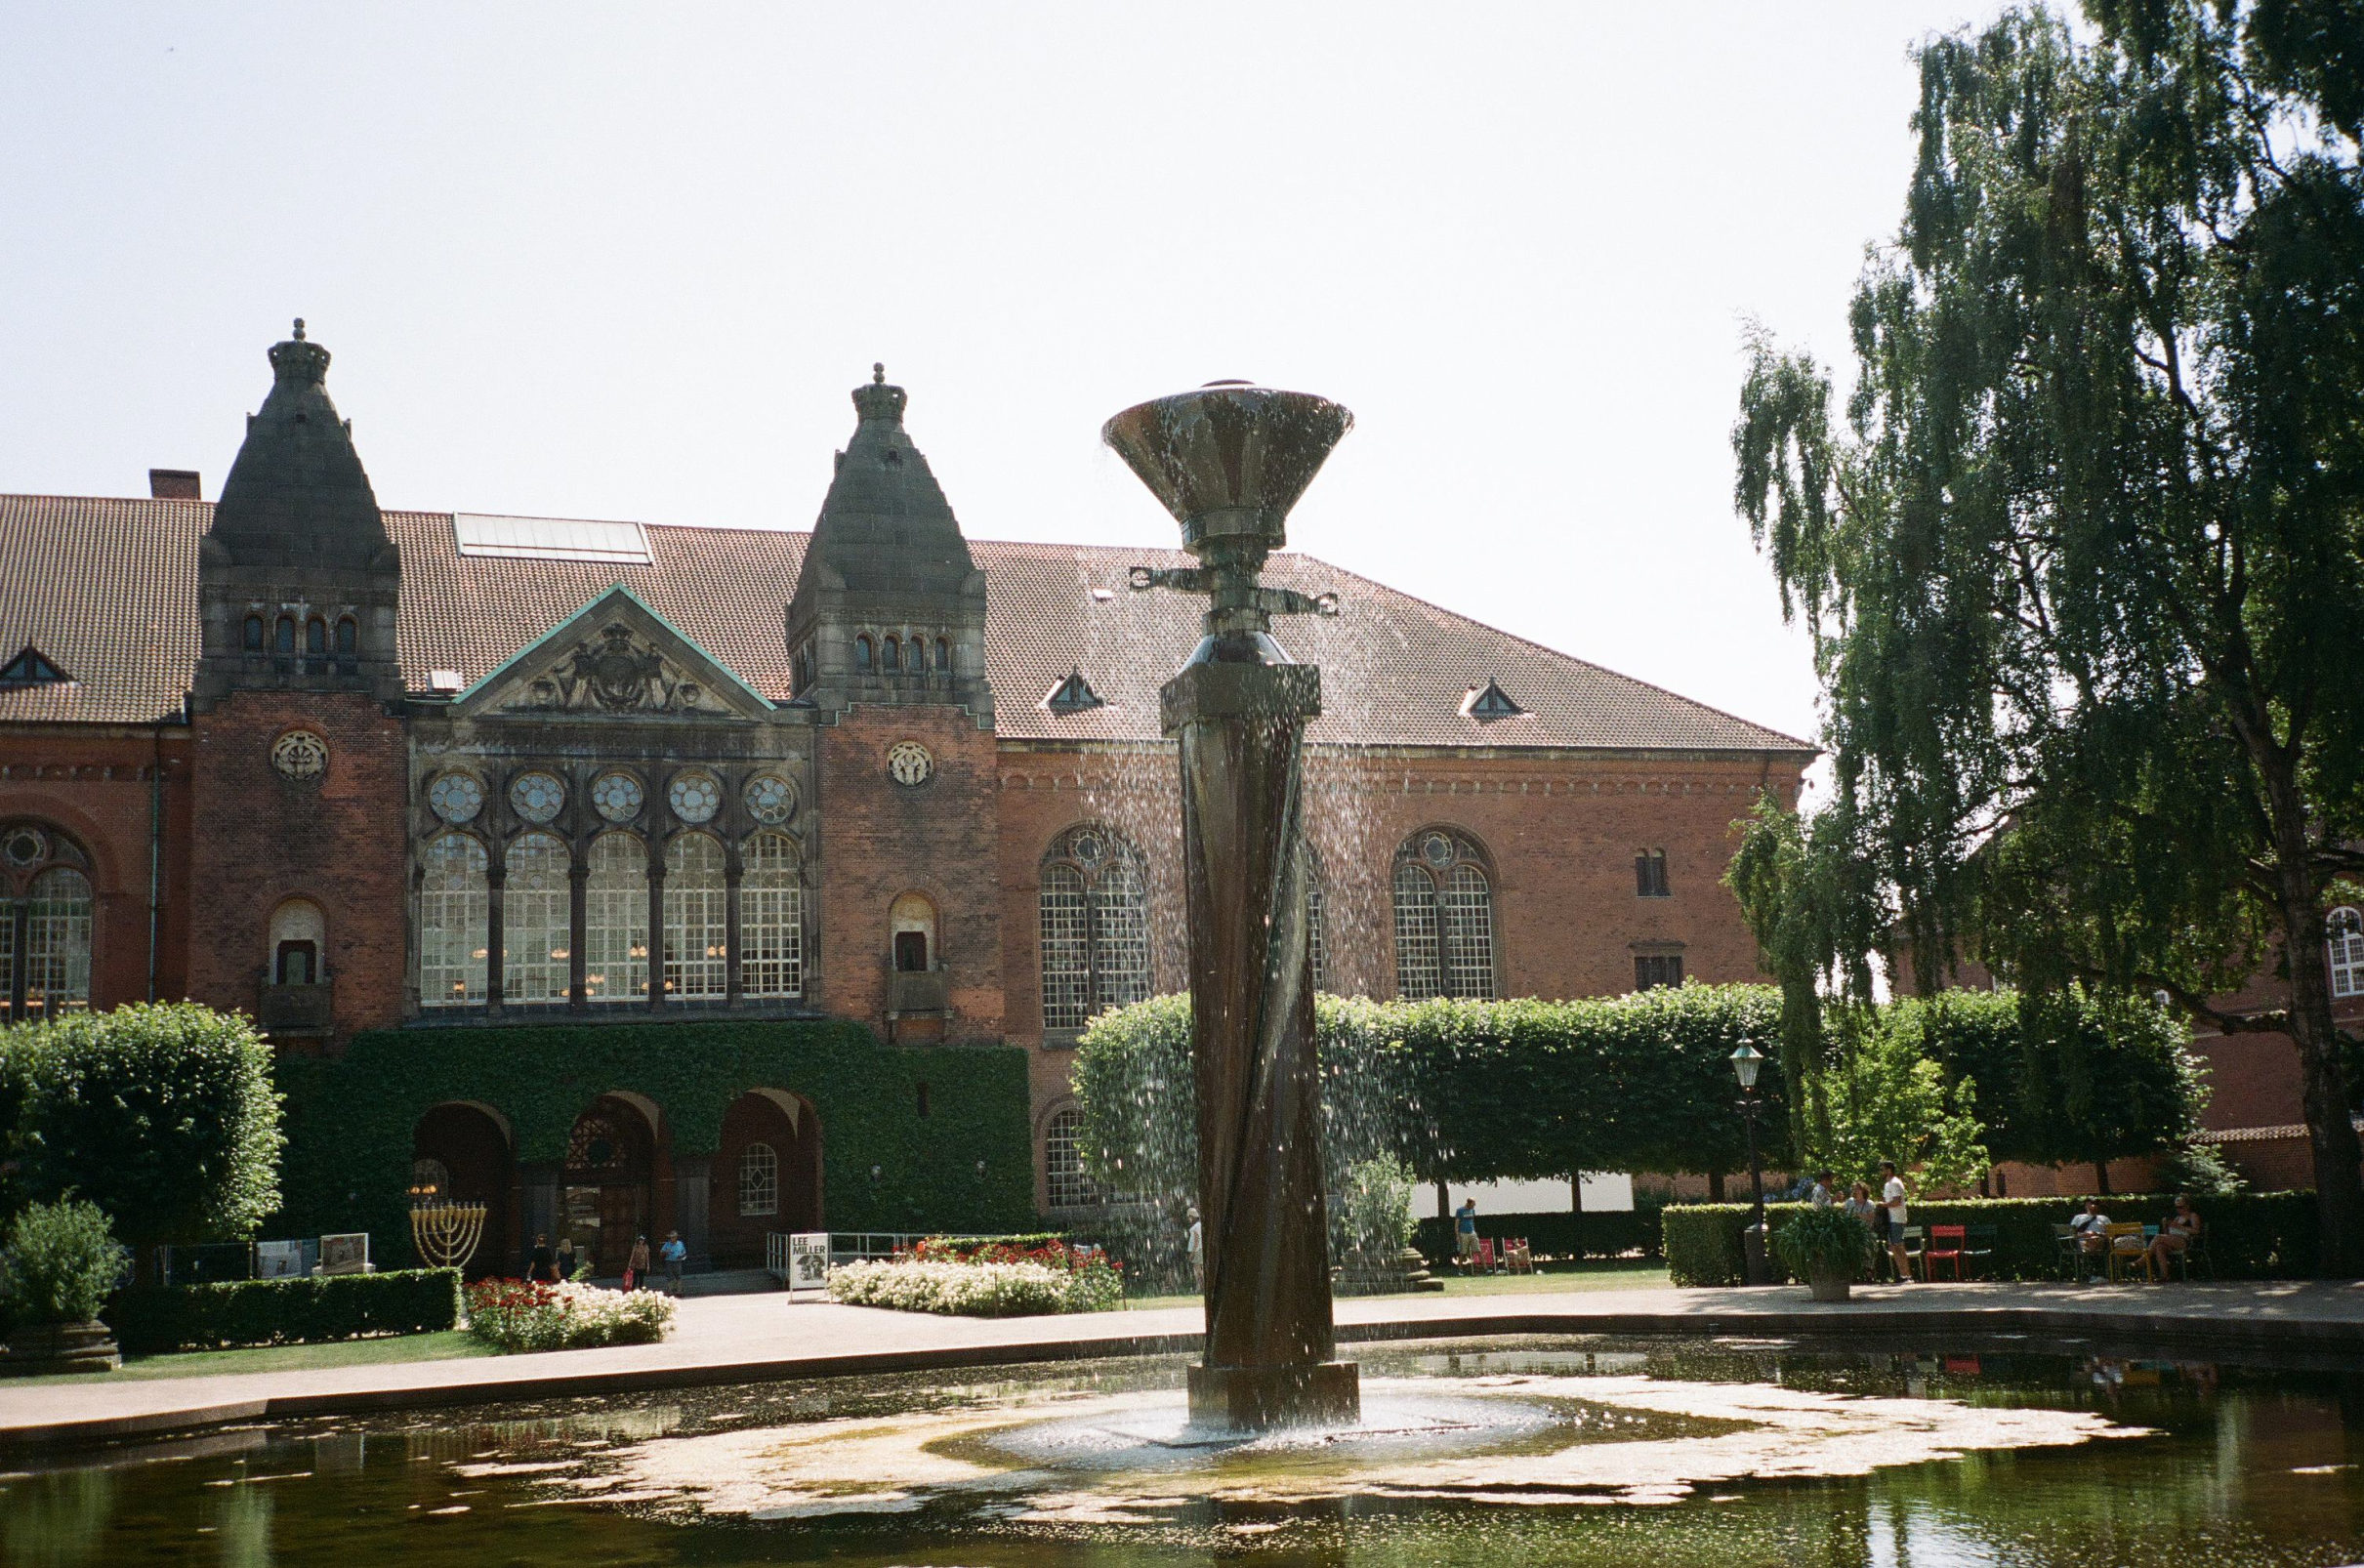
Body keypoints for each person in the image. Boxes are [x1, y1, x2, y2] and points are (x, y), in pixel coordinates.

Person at [2148, 1194, 2202, 1280]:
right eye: (2176, 1207)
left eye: (2181, 1207)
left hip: (2184, 1241)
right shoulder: (2177, 1218)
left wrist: (2179, 1227)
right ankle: (2164, 1276)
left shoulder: (2192, 1216)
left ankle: (2142, 1261)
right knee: (2159, 1247)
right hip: (2173, 1240)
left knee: (2158, 1237)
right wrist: (2165, 1225)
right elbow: (2168, 1234)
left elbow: (2196, 1231)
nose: (2178, 1210)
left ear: (2187, 1206)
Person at [1880, 1161, 1913, 1282]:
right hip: (1891, 1218)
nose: (1881, 1172)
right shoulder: (1888, 1184)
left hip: (1897, 1219)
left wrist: (1882, 1205)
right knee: (1893, 1246)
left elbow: (1896, 1201)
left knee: (1898, 1246)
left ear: (1889, 1170)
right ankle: (1903, 1274)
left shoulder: (1895, 1183)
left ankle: (1907, 1275)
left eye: (1883, 1169)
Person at [2067, 1198, 2112, 1282]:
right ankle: (2096, 1274)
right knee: (2090, 1242)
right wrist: (2084, 1234)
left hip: (2099, 1242)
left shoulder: (2104, 1218)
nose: (2093, 1206)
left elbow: (2111, 1234)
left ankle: (2094, 1274)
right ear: (2086, 1205)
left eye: (2095, 1204)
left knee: (2094, 1240)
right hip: (2082, 1243)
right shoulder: (2078, 1218)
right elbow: (2071, 1233)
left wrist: (2096, 1234)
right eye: (2090, 1204)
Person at [660, 1230, 687, 1295]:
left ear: (676, 1237)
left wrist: (682, 1257)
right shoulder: (667, 1244)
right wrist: (666, 1252)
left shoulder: (680, 1244)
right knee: (670, 1277)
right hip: (669, 1262)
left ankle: (679, 1291)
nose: (671, 1239)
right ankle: (670, 1291)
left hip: (678, 1262)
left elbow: (684, 1252)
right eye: (671, 1237)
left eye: (673, 1237)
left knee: (679, 1277)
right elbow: (661, 1253)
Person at [1455, 1198, 1479, 1266]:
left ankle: (1486, 1269)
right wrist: (1457, 1235)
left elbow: (1472, 1221)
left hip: (1472, 1233)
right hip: (1463, 1234)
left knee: (1478, 1251)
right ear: (1468, 1203)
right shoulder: (1460, 1210)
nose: (1474, 1206)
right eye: (1473, 1204)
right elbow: (1457, 1224)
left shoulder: (1472, 1210)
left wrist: (1474, 1230)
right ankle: (1460, 1270)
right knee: (1462, 1253)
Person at [1184, 1209, 1203, 1292]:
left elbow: (1196, 1241)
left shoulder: (1195, 1227)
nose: (1189, 1219)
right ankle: (1200, 1287)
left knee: (1198, 1271)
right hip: (1200, 1249)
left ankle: (1200, 1287)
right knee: (1199, 1270)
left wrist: (1193, 1253)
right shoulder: (1200, 1225)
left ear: (1192, 1217)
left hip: (1197, 1250)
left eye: (1189, 1217)